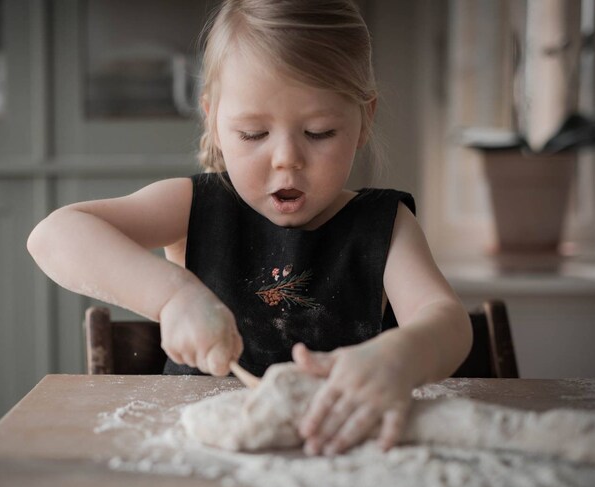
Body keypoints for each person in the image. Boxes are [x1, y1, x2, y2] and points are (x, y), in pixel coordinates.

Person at [27, 0, 472, 457]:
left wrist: (402, 357)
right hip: (200, 460)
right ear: (214, 122)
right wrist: (172, 296)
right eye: (253, 134)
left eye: (319, 132)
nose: (286, 158)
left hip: (339, 458)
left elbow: (448, 321)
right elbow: (54, 235)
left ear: (364, 121)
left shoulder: (386, 225)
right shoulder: (191, 207)